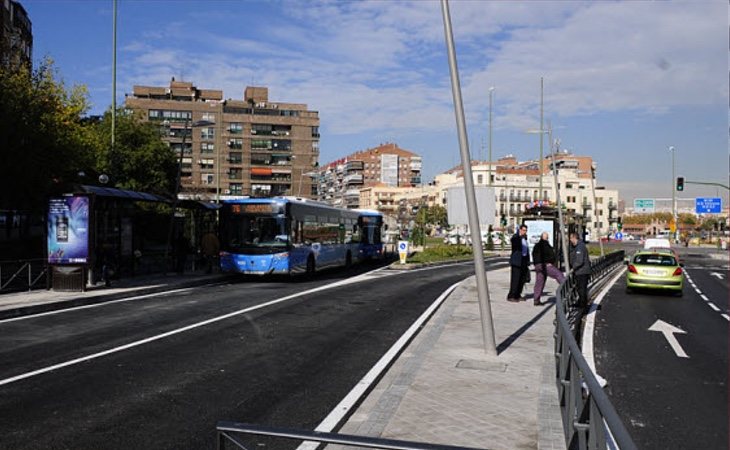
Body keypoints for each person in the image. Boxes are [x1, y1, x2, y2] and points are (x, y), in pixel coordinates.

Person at [532, 232, 565, 306]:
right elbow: (551, 255)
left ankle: (536, 300)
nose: (548, 238)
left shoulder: (536, 245)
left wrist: (536, 264)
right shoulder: (546, 245)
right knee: (559, 274)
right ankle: (567, 288)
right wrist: (550, 262)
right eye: (547, 237)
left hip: (538, 266)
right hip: (546, 265)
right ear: (546, 238)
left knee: (539, 282)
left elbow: (534, 255)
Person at [568, 231, 591, 336]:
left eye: (571, 238)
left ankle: (583, 306)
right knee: (579, 288)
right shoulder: (577, 246)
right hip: (580, 271)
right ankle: (580, 303)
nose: (570, 240)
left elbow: (580, 260)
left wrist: (573, 269)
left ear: (574, 238)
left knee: (582, 288)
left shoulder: (580, 247)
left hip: (582, 271)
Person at [507, 224, 530, 302]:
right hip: (516, 261)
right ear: (520, 230)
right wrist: (520, 236)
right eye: (523, 230)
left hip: (523, 261)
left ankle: (518, 294)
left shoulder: (525, 239)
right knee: (515, 279)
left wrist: (528, 261)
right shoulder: (516, 237)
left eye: (526, 230)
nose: (525, 232)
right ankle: (511, 295)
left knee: (522, 279)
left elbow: (526, 251)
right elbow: (515, 245)